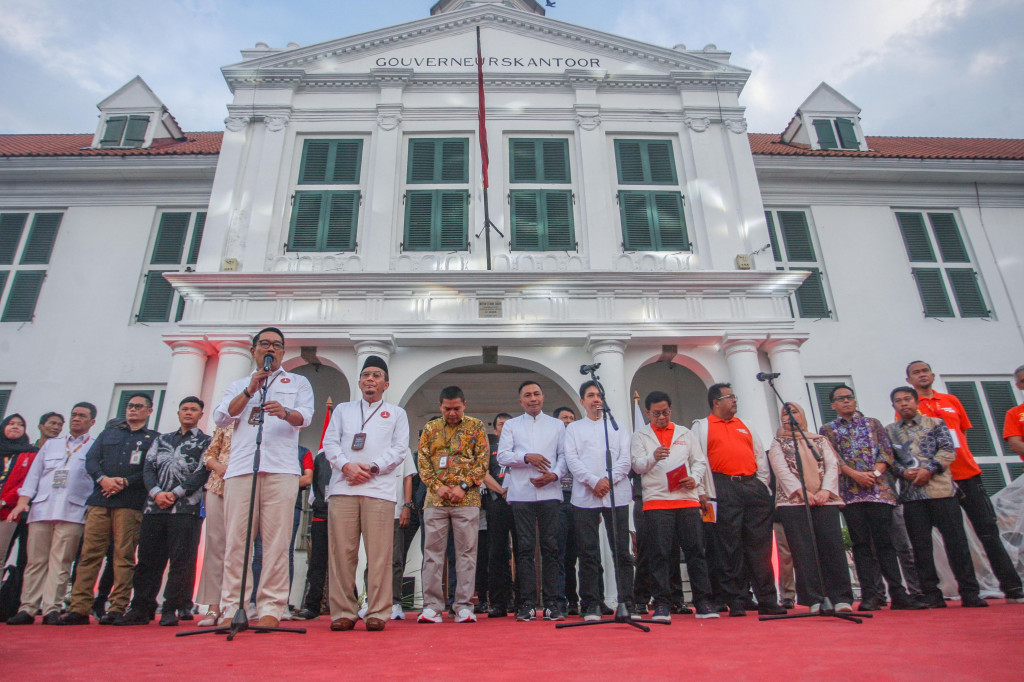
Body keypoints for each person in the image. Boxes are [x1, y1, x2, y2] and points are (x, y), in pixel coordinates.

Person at [212, 327, 315, 628]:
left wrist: (284, 411)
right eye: (264, 344)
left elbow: (305, 417)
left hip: (282, 469)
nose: (270, 349)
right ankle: (233, 606)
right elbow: (221, 418)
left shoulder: (298, 382)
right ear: (253, 349)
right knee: (237, 542)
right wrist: (250, 391)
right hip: (243, 467)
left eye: (277, 345)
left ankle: (271, 606)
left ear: (283, 352)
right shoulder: (239, 384)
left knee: (276, 542)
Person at [904, 360, 1023, 602]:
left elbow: (963, 433)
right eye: (916, 373)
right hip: (938, 481)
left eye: (925, 371)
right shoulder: (910, 407)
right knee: (954, 536)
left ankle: (1012, 587)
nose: (922, 375)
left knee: (988, 530)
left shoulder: (951, 401)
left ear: (933, 375)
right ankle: (969, 591)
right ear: (909, 381)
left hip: (967, 474)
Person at [322, 355, 409, 632]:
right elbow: (329, 442)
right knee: (342, 553)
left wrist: (372, 467)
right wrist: (347, 466)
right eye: (366, 375)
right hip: (343, 487)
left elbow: (399, 450)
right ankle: (344, 611)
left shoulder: (396, 413)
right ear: (359, 381)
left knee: (380, 554)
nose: (370, 379)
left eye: (376, 375)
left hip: (379, 490)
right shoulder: (343, 410)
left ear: (386, 384)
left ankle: (378, 611)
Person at [819, 385, 922, 611]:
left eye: (849, 397)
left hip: (878, 492)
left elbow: (885, 452)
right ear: (833, 405)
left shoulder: (873, 424)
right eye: (841, 399)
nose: (846, 401)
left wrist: (873, 474)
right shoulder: (828, 430)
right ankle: (871, 595)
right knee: (861, 545)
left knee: (886, 544)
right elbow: (833, 459)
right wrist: (856, 475)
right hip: (851, 493)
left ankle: (898, 592)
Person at [59, 394, 158, 624]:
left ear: (149, 411)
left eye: (138, 406)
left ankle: (117, 607)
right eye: (130, 406)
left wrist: (124, 482)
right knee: (88, 555)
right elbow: (91, 460)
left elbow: (149, 469)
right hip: (100, 500)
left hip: (129, 503)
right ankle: (79, 608)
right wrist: (103, 479)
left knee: (123, 556)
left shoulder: (152, 439)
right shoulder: (109, 433)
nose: (132, 410)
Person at [886, 386, 987, 608]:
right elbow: (889, 460)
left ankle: (970, 592)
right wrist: (904, 472)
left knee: (957, 544)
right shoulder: (890, 431)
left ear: (916, 402)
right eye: (899, 401)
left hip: (942, 492)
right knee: (920, 548)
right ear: (894, 407)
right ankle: (931, 594)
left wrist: (928, 470)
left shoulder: (936, 424)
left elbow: (948, 451)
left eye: (907, 399)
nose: (904, 404)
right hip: (912, 496)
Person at [691, 383, 785, 617]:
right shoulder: (701, 427)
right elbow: (696, 462)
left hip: (752, 485)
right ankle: (736, 598)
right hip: (722, 487)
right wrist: (701, 491)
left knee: (759, 546)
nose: (734, 400)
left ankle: (767, 598)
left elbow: (759, 457)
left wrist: (762, 485)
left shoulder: (746, 425)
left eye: (734, 396)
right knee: (728, 546)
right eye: (729, 397)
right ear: (716, 402)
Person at [118, 397, 211, 626]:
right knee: (148, 559)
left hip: (185, 508)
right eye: (185, 409)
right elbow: (148, 468)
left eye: (193, 410)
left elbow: (203, 471)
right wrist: (157, 493)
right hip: (154, 507)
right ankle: (141, 607)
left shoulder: (205, 441)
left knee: (182, 560)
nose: (188, 413)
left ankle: (171, 607)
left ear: (201, 414)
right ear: (178, 413)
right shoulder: (161, 440)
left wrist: (177, 493)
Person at [4, 403, 96, 625]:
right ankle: (27, 607)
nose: (76, 419)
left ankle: (51, 608)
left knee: (61, 562)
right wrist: (22, 503)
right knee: (35, 561)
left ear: (92, 422)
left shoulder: (93, 446)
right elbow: (33, 476)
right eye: (74, 415)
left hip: (72, 510)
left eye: (82, 416)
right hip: (42, 509)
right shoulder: (53, 445)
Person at [630, 391, 717, 622]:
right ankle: (661, 604)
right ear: (647, 412)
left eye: (666, 412)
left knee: (695, 551)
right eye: (656, 413)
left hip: (687, 499)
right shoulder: (640, 436)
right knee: (660, 554)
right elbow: (637, 466)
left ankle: (703, 601)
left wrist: (695, 479)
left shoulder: (685, 433)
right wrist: (653, 457)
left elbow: (699, 462)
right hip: (657, 501)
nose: (662, 417)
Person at [767, 403, 854, 612]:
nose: (790, 416)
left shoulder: (819, 440)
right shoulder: (779, 443)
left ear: (802, 415)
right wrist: (802, 492)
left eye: (794, 412)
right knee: (803, 550)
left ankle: (841, 597)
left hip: (825, 500)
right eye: (785, 414)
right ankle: (814, 598)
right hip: (794, 503)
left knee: (832, 547)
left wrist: (825, 491)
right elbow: (781, 470)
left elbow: (832, 466)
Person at [562, 381, 636, 621]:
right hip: (585, 496)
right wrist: (594, 481)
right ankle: (591, 603)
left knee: (621, 552)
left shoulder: (617, 427)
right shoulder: (574, 429)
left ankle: (627, 603)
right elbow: (572, 461)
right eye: (590, 395)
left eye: (599, 395)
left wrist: (608, 480)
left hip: (617, 495)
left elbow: (626, 460)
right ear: (582, 401)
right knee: (588, 553)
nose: (596, 399)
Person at [416, 386, 489, 623]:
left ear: (464, 405)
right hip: (435, 501)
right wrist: (438, 487)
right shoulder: (430, 428)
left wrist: (464, 486)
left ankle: (464, 606)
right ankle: (432, 607)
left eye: (457, 408)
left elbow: (482, 462)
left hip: (466, 500)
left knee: (466, 554)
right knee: (432, 555)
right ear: (440, 406)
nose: (452, 413)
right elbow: (423, 463)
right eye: (447, 409)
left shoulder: (476, 426)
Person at [496, 380, 567, 621]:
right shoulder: (512, 426)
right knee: (524, 549)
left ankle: (552, 603)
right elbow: (503, 456)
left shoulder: (557, 425)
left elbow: (564, 456)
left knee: (551, 548)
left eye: (536, 393)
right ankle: (526, 603)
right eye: (527, 395)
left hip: (550, 492)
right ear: (521, 401)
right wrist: (526, 457)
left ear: (543, 397)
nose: (533, 398)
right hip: (522, 493)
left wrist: (554, 475)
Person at [195, 426, 232, 626]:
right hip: (218, 486)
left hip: (246, 487)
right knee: (215, 547)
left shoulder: (261, 420)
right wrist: (219, 467)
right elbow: (209, 455)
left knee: (238, 549)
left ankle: (232, 605)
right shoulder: (226, 423)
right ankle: (213, 606)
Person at [483, 412, 516, 617]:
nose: (504, 428)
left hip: (519, 502)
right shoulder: (490, 450)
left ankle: (521, 600)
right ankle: (498, 602)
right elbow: (482, 473)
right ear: (495, 430)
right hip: (497, 503)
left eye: (508, 424)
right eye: (501, 425)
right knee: (497, 552)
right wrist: (501, 490)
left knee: (522, 551)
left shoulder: (520, 449)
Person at [294, 448, 332, 621]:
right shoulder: (321, 457)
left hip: (344, 514)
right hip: (321, 514)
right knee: (317, 562)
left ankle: (349, 603)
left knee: (345, 562)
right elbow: (313, 487)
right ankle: (312, 605)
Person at [1, 414, 39, 563]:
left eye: (20, 424)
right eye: (11, 423)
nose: (16, 426)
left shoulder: (30, 453)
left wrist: (4, 501)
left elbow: (27, 482)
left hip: (8, 510)